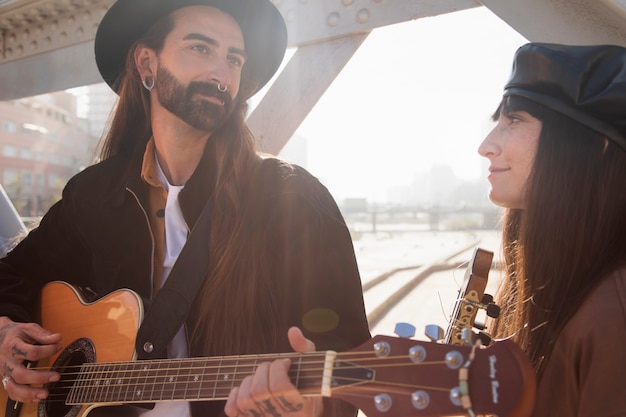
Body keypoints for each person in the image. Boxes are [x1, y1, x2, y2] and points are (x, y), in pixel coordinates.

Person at [0, 1, 371, 416]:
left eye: (234, 58)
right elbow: (10, 277)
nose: (221, 74)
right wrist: (7, 334)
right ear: (146, 63)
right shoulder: (93, 195)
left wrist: (310, 409)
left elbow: (352, 364)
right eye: (200, 48)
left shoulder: (295, 201)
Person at [478, 42, 626, 416]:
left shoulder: (616, 316)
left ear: (597, 146)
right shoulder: (545, 282)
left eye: (514, 120)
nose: (486, 146)